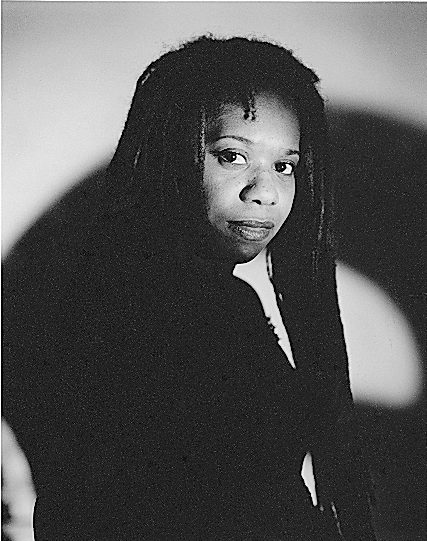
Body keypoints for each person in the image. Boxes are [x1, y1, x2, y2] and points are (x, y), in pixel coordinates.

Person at [3, 35, 376, 540]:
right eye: (232, 156)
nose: (265, 192)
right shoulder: (140, 309)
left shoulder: (208, 298)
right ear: (171, 156)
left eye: (284, 166)